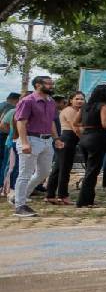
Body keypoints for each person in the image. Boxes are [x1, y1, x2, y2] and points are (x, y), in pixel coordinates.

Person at [12, 76, 65, 218]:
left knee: (44, 172)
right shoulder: (28, 101)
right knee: (25, 173)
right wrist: (24, 142)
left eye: (52, 83)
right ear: (37, 85)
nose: (51, 86)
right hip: (30, 138)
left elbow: (51, 122)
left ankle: (18, 196)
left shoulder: (51, 102)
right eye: (48, 84)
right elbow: (21, 122)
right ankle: (19, 205)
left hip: (47, 141)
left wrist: (56, 139)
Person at [76, 85, 106, 207]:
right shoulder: (104, 106)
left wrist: (83, 129)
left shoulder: (85, 106)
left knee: (89, 169)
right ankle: (83, 200)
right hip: (97, 138)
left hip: (85, 137)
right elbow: (104, 124)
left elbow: (75, 122)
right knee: (92, 171)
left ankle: (89, 198)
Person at [47, 91, 84, 205]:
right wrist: (85, 139)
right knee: (64, 170)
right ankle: (63, 195)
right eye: (77, 99)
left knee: (58, 168)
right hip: (67, 140)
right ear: (71, 100)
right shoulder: (70, 110)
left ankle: (50, 194)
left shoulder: (77, 111)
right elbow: (76, 128)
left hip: (69, 140)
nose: (80, 101)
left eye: (82, 99)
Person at [35, 95, 67, 197]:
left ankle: (39, 184)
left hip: (54, 139)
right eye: (63, 102)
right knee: (43, 166)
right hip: (51, 140)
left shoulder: (55, 112)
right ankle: (36, 185)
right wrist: (56, 138)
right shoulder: (52, 111)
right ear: (58, 102)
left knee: (47, 166)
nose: (64, 104)